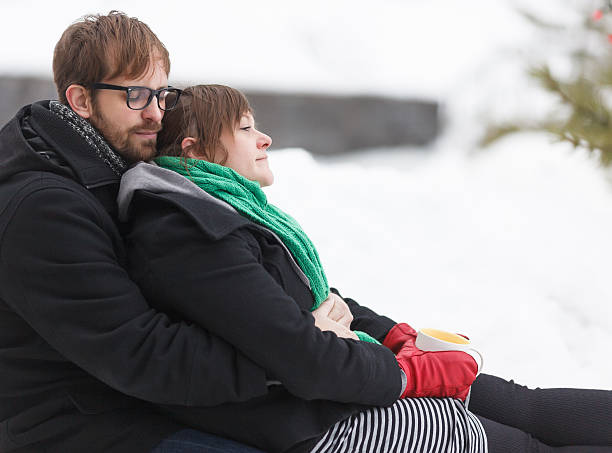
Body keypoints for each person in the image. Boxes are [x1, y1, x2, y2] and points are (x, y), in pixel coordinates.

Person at [118, 84, 612, 453]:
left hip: (355, 382)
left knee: (529, 407)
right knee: (528, 445)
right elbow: (302, 353)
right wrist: (409, 373)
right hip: (327, 418)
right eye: (246, 128)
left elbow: (321, 303)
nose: (265, 138)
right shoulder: (188, 234)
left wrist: (395, 335)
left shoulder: (228, 213)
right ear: (194, 149)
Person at [0, 12, 269, 453]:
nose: (157, 114)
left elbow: (240, 269)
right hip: (75, 428)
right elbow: (140, 353)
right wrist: (287, 358)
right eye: (137, 95)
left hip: (148, 404)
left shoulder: (120, 170)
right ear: (81, 101)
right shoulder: (44, 206)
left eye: (162, 94)